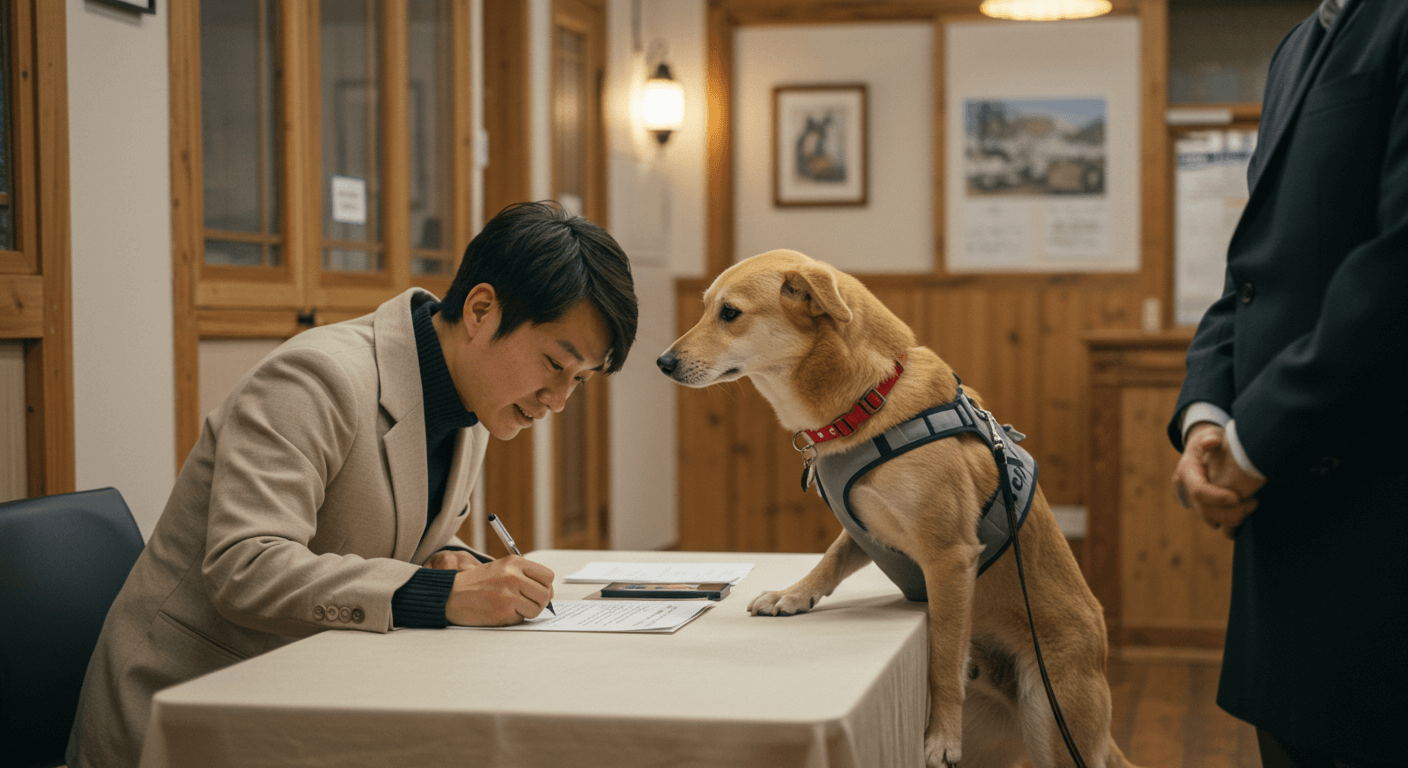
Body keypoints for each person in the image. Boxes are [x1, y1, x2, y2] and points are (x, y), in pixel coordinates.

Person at [66, 201, 639, 768]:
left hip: (313, 692)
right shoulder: (315, 379)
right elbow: (245, 566)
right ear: (481, 309)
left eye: (580, 381)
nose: (558, 400)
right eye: (553, 365)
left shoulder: (477, 398)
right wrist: (435, 594)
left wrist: (448, 560)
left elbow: (390, 533)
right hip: (191, 708)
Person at [1168, 1, 1406, 767]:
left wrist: (1254, 437)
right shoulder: (1298, 46)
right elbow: (1253, 275)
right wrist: (1207, 415)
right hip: (1286, 541)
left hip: (1376, 531)